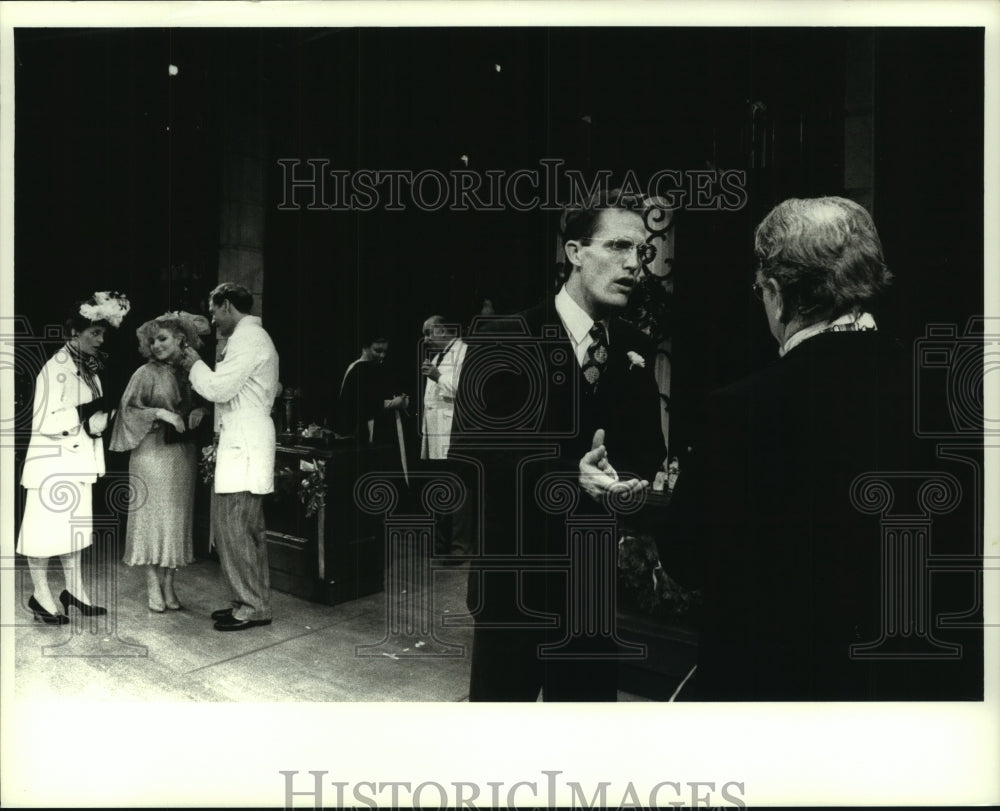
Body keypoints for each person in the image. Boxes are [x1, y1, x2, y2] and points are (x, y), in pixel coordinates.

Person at [582, 196, 960, 700]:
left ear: (778, 294)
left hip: (776, 687)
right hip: (915, 687)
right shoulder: (946, 394)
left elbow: (691, 559)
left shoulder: (740, 410)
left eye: (760, 289)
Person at [450, 189, 666, 700]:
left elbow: (647, 450)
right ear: (574, 252)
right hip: (513, 589)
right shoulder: (505, 336)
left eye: (642, 251)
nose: (634, 264)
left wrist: (624, 482)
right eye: (617, 247)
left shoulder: (634, 345)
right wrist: (571, 473)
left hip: (591, 593)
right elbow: (472, 455)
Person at [18, 291, 131, 623]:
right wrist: (85, 418)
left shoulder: (88, 368)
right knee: (41, 532)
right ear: (73, 332)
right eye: (94, 332)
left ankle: (75, 591)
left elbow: (92, 411)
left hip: (77, 462)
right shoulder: (56, 367)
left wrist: (101, 419)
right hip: (51, 465)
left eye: (102, 334)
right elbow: (43, 419)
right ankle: (41, 596)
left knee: (75, 531)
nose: (100, 339)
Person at [177, 283, 279, 632]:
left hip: (246, 443)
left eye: (214, 309)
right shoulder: (250, 338)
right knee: (243, 530)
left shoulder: (249, 339)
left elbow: (220, 388)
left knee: (235, 530)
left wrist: (194, 364)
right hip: (245, 439)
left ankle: (252, 606)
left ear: (227, 305)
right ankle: (249, 601)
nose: (212, 317)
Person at [109, 311, 210, 612]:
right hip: (151, 454)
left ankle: (169, 583)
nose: (155, 345)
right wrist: (159, 413)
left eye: (162, 339)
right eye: (152, 340)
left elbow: (208, 400)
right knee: (152, 520)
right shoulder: (144, 373)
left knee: (175, 521)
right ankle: (153, 583)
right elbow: (126, 412)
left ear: (181, 340)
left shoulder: (193, 371)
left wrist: (201, 411)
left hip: (182, 455)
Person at [419, 315, 468, 559]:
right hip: (436, 434)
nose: (426, 339)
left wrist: (438, 376)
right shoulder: (439, 356)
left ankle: (458, 547)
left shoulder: (463, 351)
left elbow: (466, 389)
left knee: (456, 491)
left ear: (441, 330)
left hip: (453, 434)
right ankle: (440, 544)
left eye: (429, 333)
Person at [335, 335, 409, 448]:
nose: (382, 355)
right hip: (364, 429)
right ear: (365, 348)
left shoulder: (369, 367)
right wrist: (394, 403)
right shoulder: (360, 369)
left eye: (384, 351)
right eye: (378, 351)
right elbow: (363, 404)